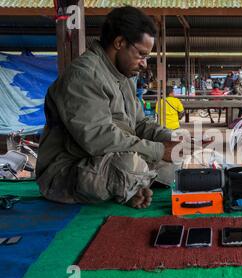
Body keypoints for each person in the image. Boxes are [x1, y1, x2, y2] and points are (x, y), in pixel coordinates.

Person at [36, 6, 182, 209]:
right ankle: (130, 184)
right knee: (131, 164)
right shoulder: (83, 75)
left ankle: (130, 187)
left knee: (173, 163)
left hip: (105, 160)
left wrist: (171, 139)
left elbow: (140, 124)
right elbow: (98, 138)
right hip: (67, 171)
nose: (144, 64)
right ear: (120, 43)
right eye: (141, 55)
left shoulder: (123, 77)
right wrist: (158, 150)